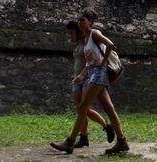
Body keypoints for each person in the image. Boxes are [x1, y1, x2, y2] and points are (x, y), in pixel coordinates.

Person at [51, 9, 129, 154]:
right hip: (93, 73)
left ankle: (70, 142)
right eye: (79, 20)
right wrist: (82, 74)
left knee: (82, 108)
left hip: (99, 74)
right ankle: (122, 141)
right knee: (109, 109)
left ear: (90, 22)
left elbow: (110, 44)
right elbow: (90, 62)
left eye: (83, 20)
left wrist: (103, 61)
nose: (80, 23)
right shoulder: (86, 39)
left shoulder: (95, 33)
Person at [66, 20, 115, 148]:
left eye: (71, 33)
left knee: (84, 109)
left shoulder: (87, 43)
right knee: (80, 109)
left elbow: (92, 61)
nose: (69, 35)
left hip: (88, 78)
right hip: (77, 79)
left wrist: (85, 73)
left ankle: (106, 126)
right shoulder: (78, 44)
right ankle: (84, 137)